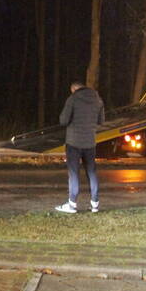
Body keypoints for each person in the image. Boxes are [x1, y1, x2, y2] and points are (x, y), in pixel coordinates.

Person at [54, 81, 105, 214]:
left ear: (74, 89)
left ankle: (72, 205)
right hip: (90, 143)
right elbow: (101, 121)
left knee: (74, 173)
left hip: (74, 142)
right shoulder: (98, 100)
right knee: (92, 172)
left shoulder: (73, 99)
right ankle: (95, 204)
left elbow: (63, 120)